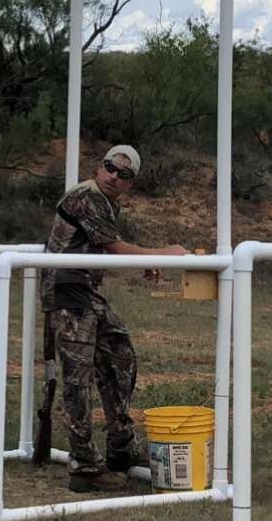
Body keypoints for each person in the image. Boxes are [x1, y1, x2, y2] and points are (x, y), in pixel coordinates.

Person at [43, 144, 188, 493]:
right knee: (78, 380)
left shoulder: (106, 203)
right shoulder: (86, 196)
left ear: (130, 183)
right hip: (67, 292)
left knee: (120, 355)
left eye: (123, 174)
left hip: (85, 292)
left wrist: (144, 261)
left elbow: (108, 246)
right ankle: (85, 466)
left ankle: (121, 446)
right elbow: (113, 247)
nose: (113, 176)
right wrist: (163, 254)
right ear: (100, 167)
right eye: (110, 167)